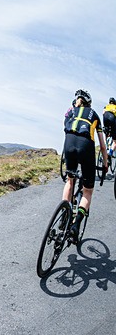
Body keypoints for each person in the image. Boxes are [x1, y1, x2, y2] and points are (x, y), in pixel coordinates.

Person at [63, 89, 109, 242]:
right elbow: (102, 145)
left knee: (70, 180)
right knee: (88, 191)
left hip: (68, 144)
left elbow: (67, 129)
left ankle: (64, 213)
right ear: (89, 103)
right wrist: (106, 162)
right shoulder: (94, 114)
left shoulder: (70, 111)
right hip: (86, 146)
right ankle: (76, 226)